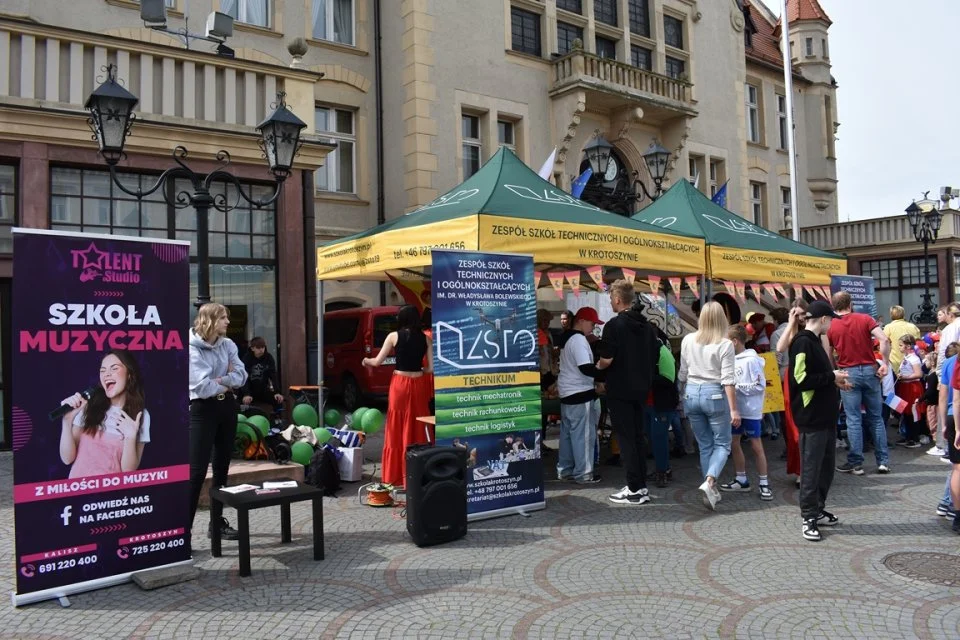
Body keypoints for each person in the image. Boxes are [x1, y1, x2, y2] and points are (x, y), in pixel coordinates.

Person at [789, 300, 851, 542]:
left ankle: (818, 508)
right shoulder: (803, 342)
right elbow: (800, 379)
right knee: (812, 469)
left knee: (825, 467)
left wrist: (836, 381)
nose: (833, 324)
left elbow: (816, 378)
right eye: (832, 320)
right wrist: (831, 376)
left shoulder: (814, 341)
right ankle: (808, 517)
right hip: (811, 417)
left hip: (825, 416)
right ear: (823, 319)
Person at [596, 279, 661, 506]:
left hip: (620, 389)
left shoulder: (613, 325)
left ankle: (634, 489)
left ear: (616, 299)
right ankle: (640, 486)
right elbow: (655, 356)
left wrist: (596, 368)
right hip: (642, 388)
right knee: (637, 437)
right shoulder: (647, 326)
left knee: (626, 439)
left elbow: (607, 359)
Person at [188, 303, 248, 541]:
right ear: (210, 320)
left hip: (227, 407)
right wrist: (228, 379)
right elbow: (201, 387)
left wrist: (219, 380)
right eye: (223, 318)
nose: (227, 322)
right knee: (197, 471)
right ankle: (184, 531)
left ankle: (217, 523)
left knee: (222, 468)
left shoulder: (229, 344)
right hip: (202, 411)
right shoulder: (192, 348)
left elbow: (241, 376)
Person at [362, 305, 433, 487]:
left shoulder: (393, 336)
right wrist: (420, 369)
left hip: (400, 383)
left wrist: (365, 361)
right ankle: (417, 472)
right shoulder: (425, 339)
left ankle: (396, 476)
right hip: (417, 384)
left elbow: (377, 362)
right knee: (417, 424)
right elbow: (430, 369)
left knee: (397, 426)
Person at [679, 301, 738, 511]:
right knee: (722, 444)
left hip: (692, 393)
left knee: (704, 444)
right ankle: (711, 481)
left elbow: (682, 374)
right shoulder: (725, 344)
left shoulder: (687, 340)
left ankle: (710, 487)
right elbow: (728, 380)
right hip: (714, 394)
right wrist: (734, 409)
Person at [827, 291, 891, 476]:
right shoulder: (865, 318)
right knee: (876, 418)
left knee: (853, 419)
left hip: (848, 372)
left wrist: (835, 372)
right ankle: (883, 461)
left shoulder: (832, 325)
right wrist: (885, 364)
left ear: (834, 305)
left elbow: (828, 352)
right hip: (870, 370)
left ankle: (856, 463)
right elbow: (884, 339)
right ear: (850, 303)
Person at [59, 350, 150, 479]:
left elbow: (128, 472)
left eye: (114, 369)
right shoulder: (87, 407)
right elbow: (67, 459)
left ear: (130, 374)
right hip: (78, 491)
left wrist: (130, 437)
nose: (106, 374)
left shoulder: (141, 415)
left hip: (112, 495)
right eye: (103, 370)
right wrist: (67, 421)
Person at [720, 324, 772, 500]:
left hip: (750, 410)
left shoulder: (751, 360)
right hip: (736, 410)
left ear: (735, 342)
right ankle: (741, 478)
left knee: (756, 446)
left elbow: (759, 386)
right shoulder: (730, 360)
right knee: (735, 442)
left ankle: (764, 483)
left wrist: (736, 387)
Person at [556, 307, 604, 484]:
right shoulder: (578, 339)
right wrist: (602, 373)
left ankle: (565, 470)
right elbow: (585, 367)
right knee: (583, 436)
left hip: (567, 390)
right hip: (580, 391)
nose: (593, 327)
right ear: (582, 321)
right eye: (592, 323)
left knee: (567, 435)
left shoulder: (566, 337)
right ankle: (584, 474)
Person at [777, 300, 809, 485]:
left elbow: (826, 354)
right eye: (798, 315)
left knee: (808, 426)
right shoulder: (792, 330)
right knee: (793, 425)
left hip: (810, 375)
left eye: (803, 314)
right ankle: (800, 470)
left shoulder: (816, 329)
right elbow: (780, 348)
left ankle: (810, 468)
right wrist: (791, 322)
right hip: (792, 378)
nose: (801, 318)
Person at [937, 342, 960, 520]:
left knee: (957, 468)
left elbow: (943, 397)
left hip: (953, 416)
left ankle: (948, 505)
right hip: (956, 416)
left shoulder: (949, 362)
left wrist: (944, 423)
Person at [894, 335, 925, 448]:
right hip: (905, 386)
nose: (899, 347)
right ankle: (908, 436)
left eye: (901, 345)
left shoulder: (914, 358)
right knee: (905, 413)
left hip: (912, 387)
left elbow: (918, 374)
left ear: (908, 346)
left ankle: (915, 439)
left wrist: (905, 377)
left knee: (913, 413)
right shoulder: (906, 357)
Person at [240, 336, 284, 413]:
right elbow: (244, 377)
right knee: (239, 403)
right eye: (258, 347)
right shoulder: (247, 358)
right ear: (252, 348)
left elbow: (273, 376)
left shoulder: (268, 358)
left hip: (263, 389)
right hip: (249, 389)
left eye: (263, 347)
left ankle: (277, 419)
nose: (261, 350)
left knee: (277, 399)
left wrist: (277, 392)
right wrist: (246, 393)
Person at [883, 305, 920, 376]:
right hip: (913, 362)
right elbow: (918, 344)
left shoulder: (888, 327)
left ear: (891, 315)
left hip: (895, 362)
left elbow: (885, 344)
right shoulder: (913, 326)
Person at [923, 352, 945, 457]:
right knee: (932, 422)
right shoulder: (932, 373)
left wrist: (921, 398)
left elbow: (930, 390)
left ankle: (938, 445)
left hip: (933, 403)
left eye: (927, 360)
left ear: (932, 363)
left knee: (933, 423)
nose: (924, 362)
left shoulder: (933, 375)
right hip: (932, 402)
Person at [938, 303, 960, 376]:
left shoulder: (950, 328)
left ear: (950, 314)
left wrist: (940, 373)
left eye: (946, 314)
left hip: (954, 368)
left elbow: (945, 351)